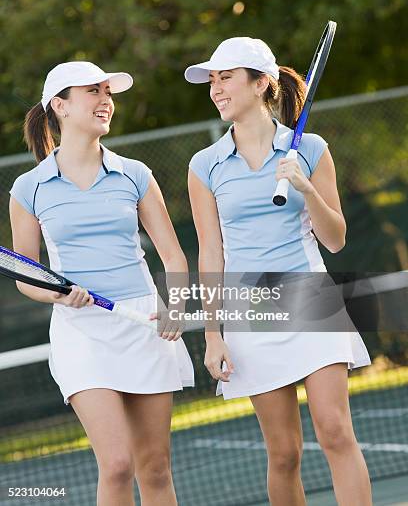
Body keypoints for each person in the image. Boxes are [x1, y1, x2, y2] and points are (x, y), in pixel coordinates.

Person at [186, 37, 372, 505]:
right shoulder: (204, 166)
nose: (216, 89)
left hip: (309, 296)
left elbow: (335, 239)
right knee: (284, 453)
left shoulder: (309, 148)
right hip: (249, 308)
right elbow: (211, 256)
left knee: (335, 431)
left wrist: (307, 189)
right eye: (212, 81)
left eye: (225, 77)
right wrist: (213, 333)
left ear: (260, 83)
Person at [9, 61, 194, 506]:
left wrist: (176, 306)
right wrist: (57, 294)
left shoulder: (135, 174)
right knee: (116, 464)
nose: (105, 100)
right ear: (60, 106)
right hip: (82, 333)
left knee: (154, 467)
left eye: (108, 92)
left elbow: (173, 255)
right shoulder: (29, 188)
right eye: (93, 91)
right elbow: (26, 276)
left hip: (145, 323)